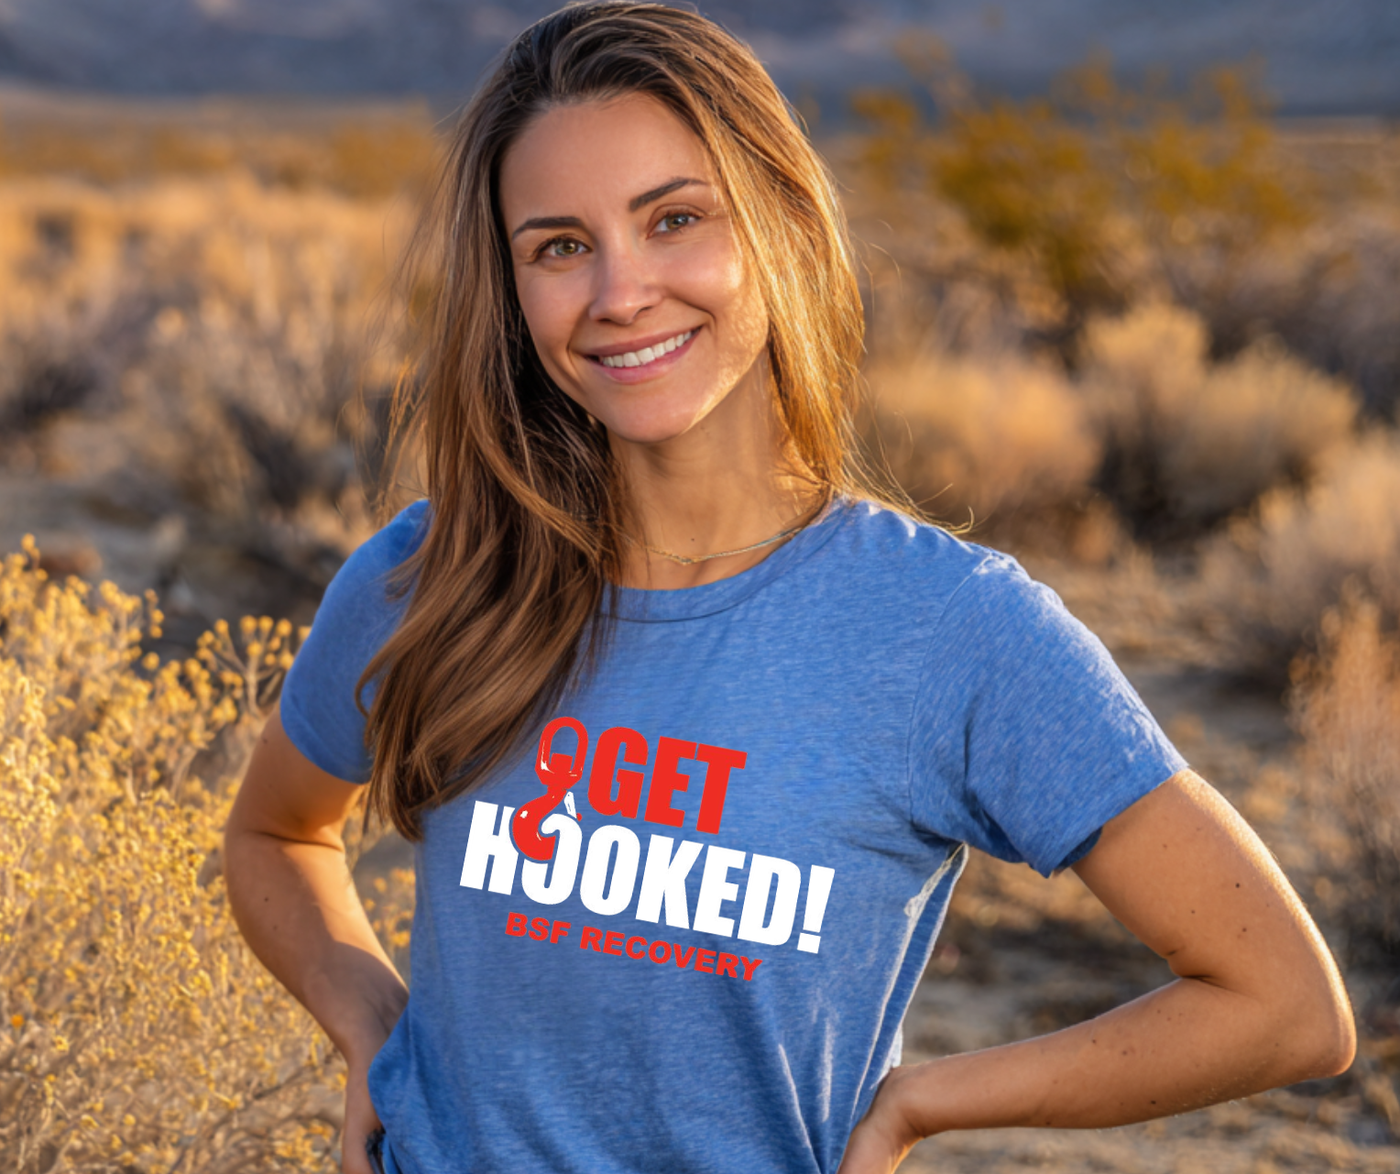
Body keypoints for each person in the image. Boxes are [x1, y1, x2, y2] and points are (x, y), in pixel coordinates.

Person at [223, 4, 1356, 1173]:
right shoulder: (435, 572)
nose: (620, 291)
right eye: (558, 246)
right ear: (510, 292)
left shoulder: (952, 629)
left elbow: (1280, 1003)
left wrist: (924, 1101)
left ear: (784, 226)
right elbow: (275, 830)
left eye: (673, 219)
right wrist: (368, 1022)